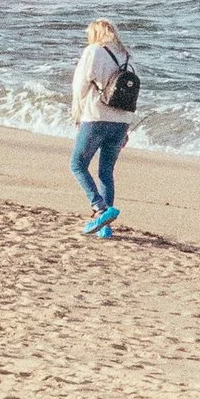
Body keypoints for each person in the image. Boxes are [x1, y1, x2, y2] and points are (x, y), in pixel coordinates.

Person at [69, 17, 136, 236]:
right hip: (121, 122)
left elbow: (80, 84)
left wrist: (77, 113)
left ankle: (100, 209)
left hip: (96, 117)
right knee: (106, 171)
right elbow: (132, 94)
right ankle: (104, 229)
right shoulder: (126, 56)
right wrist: (126, 128)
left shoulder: (94, 51)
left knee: (77, 164)